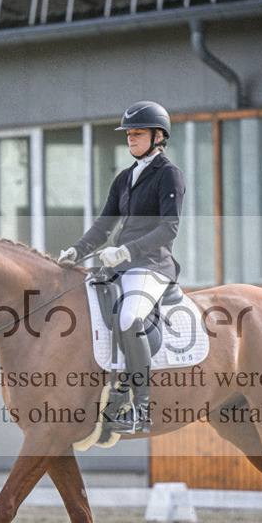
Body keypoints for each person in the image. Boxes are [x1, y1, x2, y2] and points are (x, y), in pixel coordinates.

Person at [58, 100, 185, 434]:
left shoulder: (169, 175)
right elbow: (103, 226)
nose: (131, 139)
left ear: (159, 136)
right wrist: (76, 250)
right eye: (128, 134)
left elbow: (168, 229)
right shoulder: (125, 177)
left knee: (130, 317)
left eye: (138, 133)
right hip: (122, 267)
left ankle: (139, 406)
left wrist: (127, 251)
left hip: (153, 266)